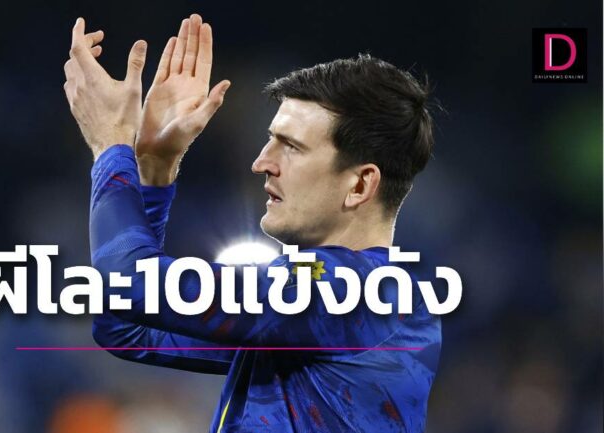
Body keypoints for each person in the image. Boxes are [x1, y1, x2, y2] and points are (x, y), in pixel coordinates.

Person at [63, 13, 441, 432]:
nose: (262, 162)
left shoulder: (361, 296)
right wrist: (154, 167)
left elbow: (126, 281)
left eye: (291, 147)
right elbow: (126, 328)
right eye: (270, 140)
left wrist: (112, 142)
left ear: (360, 184)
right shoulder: (311, 314)